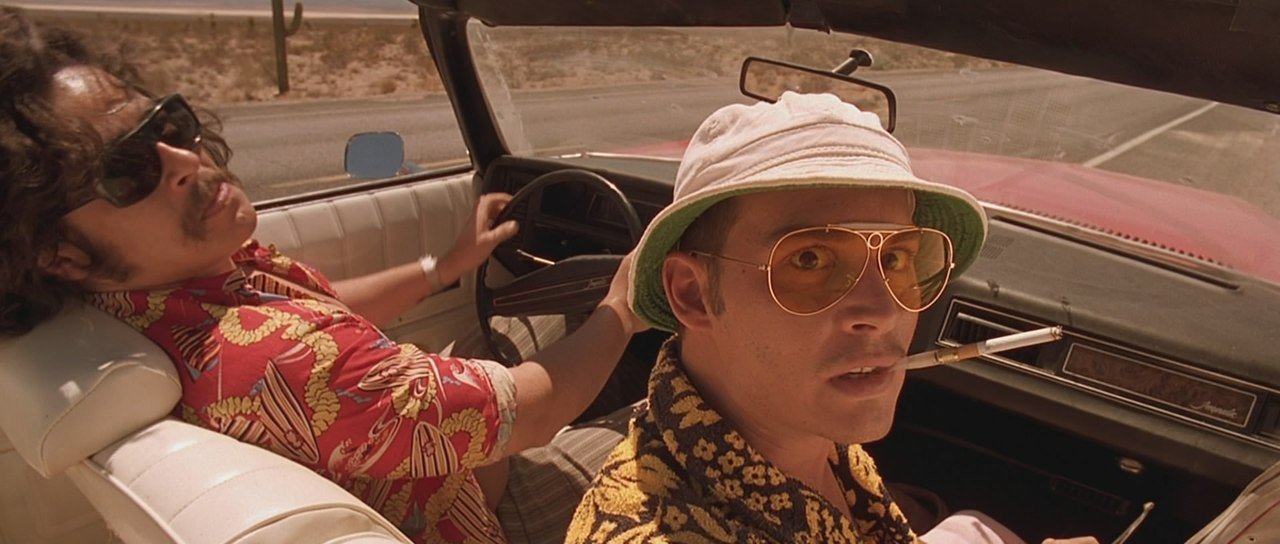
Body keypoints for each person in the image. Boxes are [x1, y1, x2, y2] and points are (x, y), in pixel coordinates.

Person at [0, 10, 645, 544]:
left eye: (167, 126)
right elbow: (533, 413)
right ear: (58, 252)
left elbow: (319, 305)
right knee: (675, 407)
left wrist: (445, 266)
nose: (185, 160)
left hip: (449, 457)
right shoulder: (286, 360)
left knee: (552, 324)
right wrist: (623, 305)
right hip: (492, 514)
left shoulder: (166, 294)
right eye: (128, 169)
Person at [565, 92, 1098, 544]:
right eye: (809, 260)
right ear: (693, 294)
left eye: (897, 258)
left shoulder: (792, 421)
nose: (883, 312)